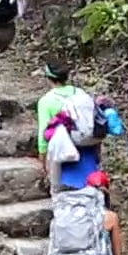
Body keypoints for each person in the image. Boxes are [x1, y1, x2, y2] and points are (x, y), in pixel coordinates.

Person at [34, 61, 102, 193]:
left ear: (48, 78)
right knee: (90, 187)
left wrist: (43, 158)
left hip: (63, 153)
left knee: (65, 192)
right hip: (88, 148)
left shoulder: (46, 101)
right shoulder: (81, 93)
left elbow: (44, 133)